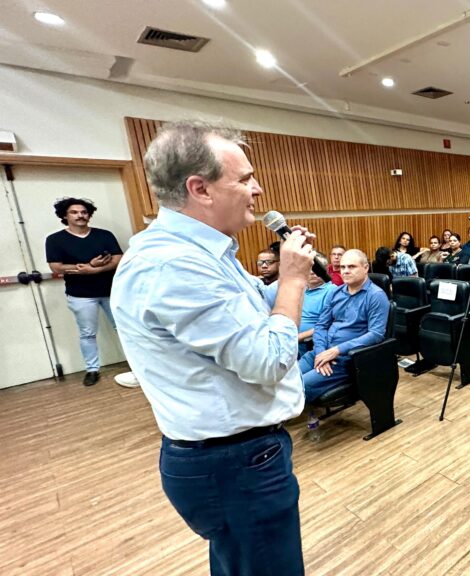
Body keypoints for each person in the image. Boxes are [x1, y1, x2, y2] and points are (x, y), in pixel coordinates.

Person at [111, 121, 312, 574]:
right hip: (233, 463)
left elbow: (252, 317)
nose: (257, 189)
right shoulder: (174, 266)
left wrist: (284, 283)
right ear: (199, 188)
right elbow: (268, 359)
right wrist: (294, 279)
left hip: (236, 457)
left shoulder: (203, 254)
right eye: (244, 179)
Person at [46, 197, 124, 386]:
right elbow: (56, 267)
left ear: (89, 214)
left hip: (111, 292)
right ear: (65, 215)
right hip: (80, 295)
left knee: (124, 329)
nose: (80, 215)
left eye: (83, 212)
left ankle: (137, 364)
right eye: (74, 212)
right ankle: (92, 369)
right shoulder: (55, 240)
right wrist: (88, 266)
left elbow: (118, 259)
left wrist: (95, 270)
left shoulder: (104, 235)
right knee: (87, 333)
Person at [299, 249, 389, 402]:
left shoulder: (376, 296)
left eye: (352, 267)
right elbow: (321, 325)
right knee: (284, 380)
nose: (345, 271)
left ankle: (272, 422)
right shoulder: (336, 293)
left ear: (366, 268)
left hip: (344, 360)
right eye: (342, 267)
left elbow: (376, 334)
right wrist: (321, 352)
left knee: (298, 386)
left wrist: (336, 350)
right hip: (320, 353)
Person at [266, 253, 338, 354]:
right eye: (310, 268)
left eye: (317, 269)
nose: (313, 272)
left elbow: (328, 325)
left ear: (326, 270)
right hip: (287, 335)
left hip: (308, 342)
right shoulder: (299, 288)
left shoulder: (332, 291)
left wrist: (297, 337)